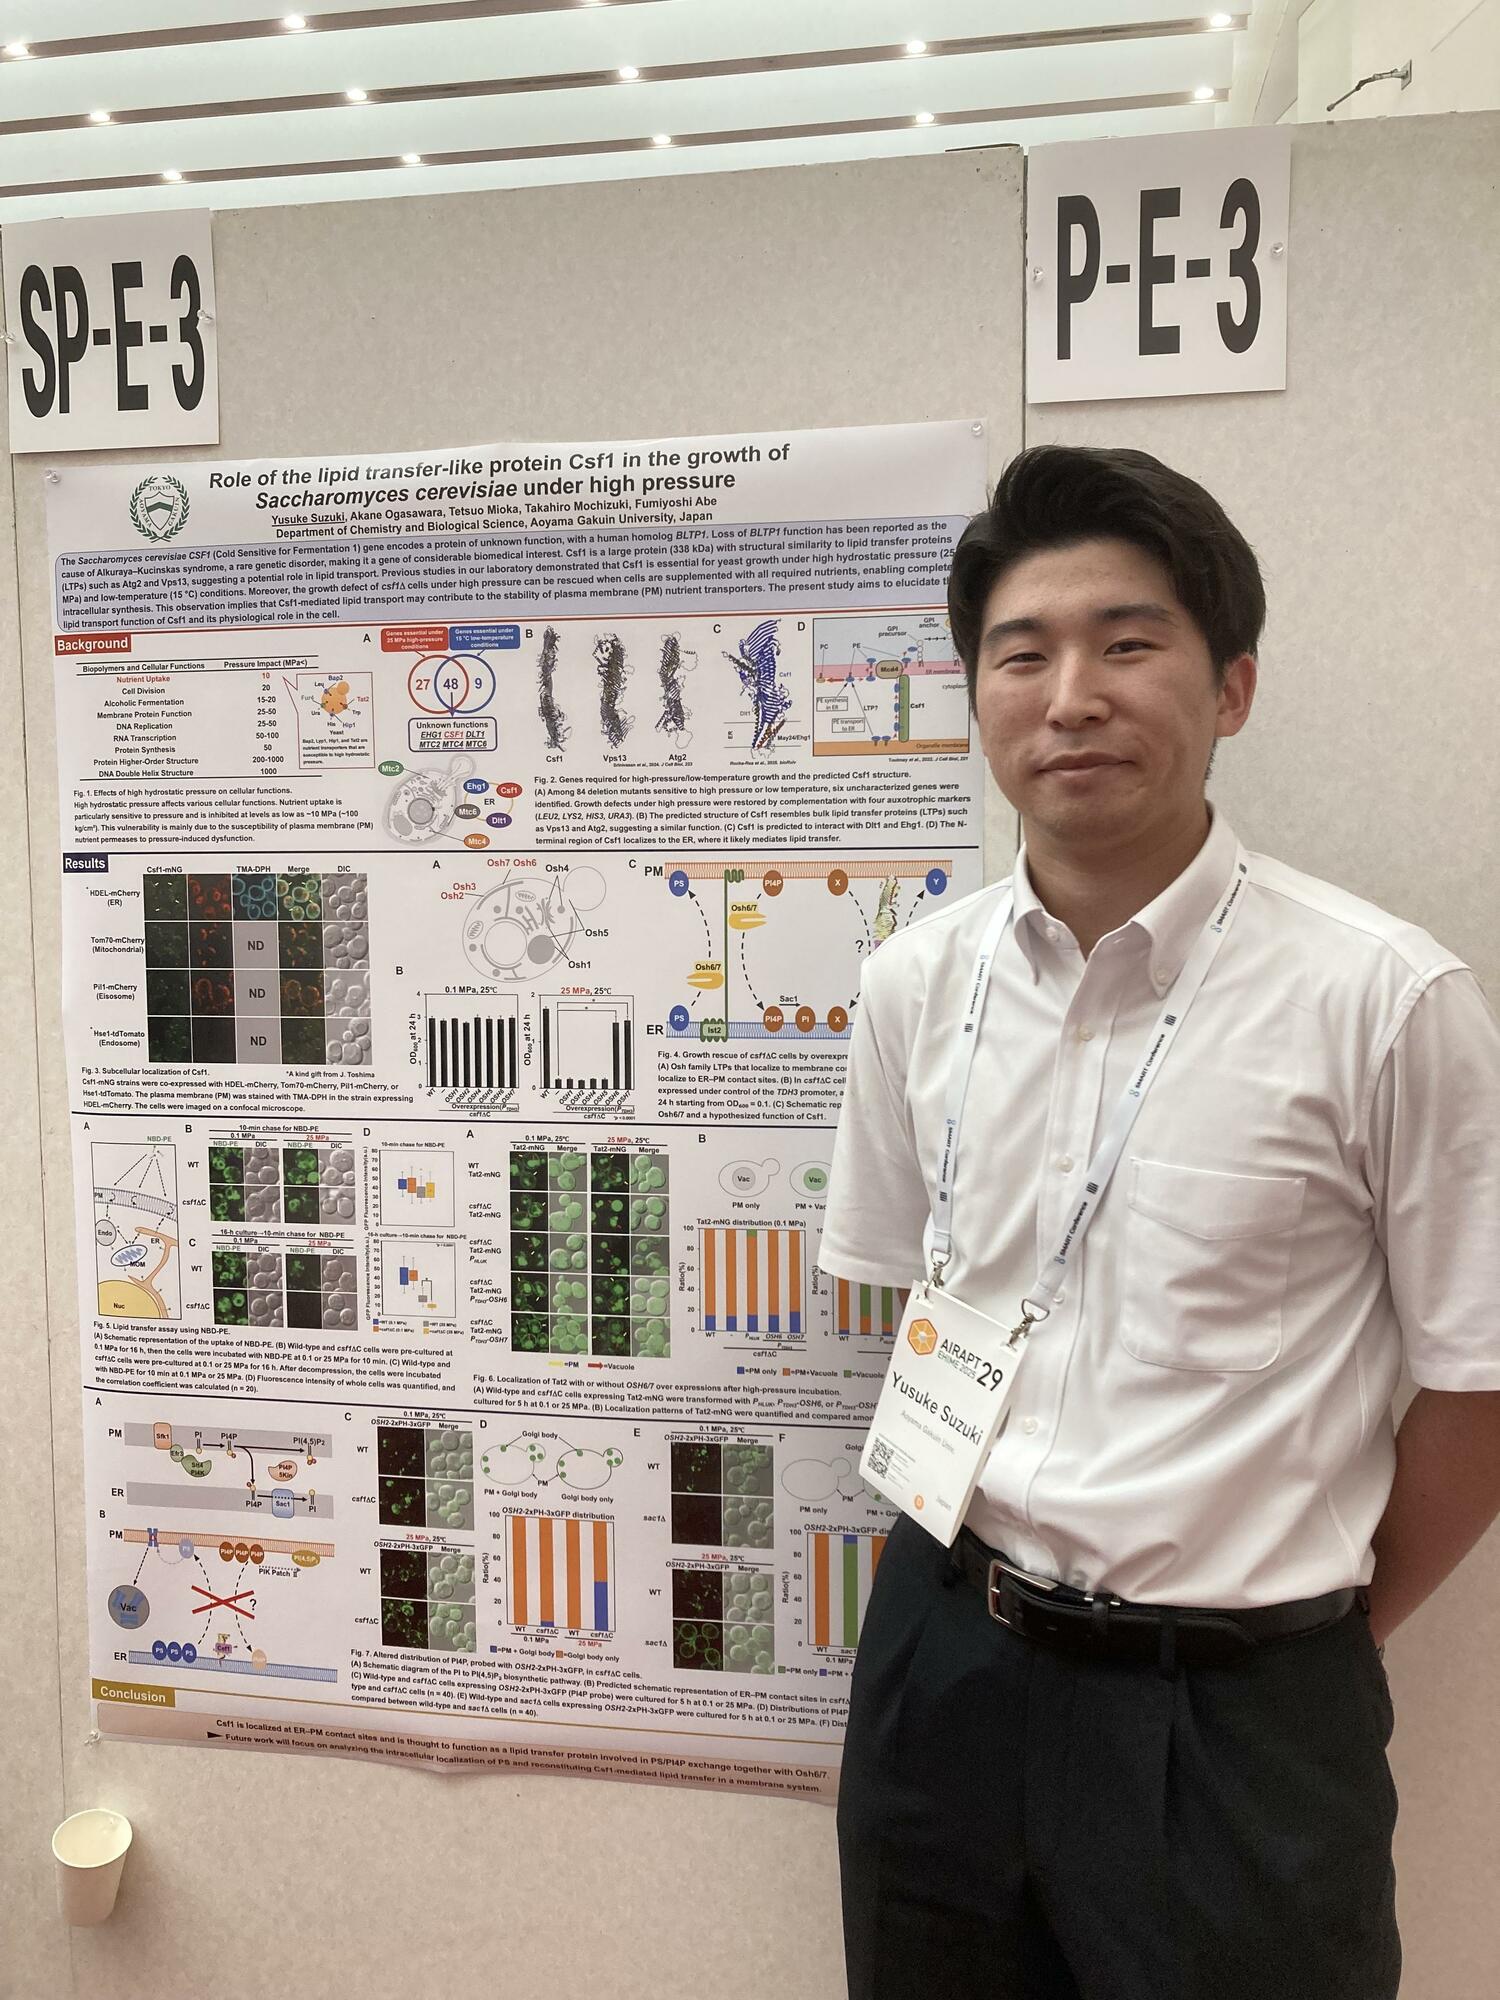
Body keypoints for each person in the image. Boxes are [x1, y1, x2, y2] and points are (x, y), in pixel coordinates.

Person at [818, 444, 1500, 2000]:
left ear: (1232, 687)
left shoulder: (1385, 1001)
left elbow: (1480, 1384)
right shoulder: (914, 983)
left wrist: (1312, 1633)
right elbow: (899, 1290)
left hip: (1239, 1710)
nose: (1071, 697)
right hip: (944, 1658)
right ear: (977, 700)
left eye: (1127, 644)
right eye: (1022, 654)